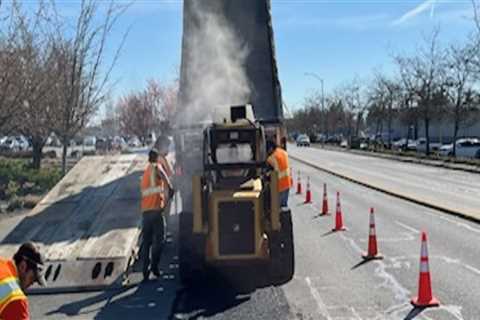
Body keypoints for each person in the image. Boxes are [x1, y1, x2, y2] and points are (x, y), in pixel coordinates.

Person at [140, 148, 174, 281]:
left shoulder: (146, 172)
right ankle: (154, 266)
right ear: (156, 158)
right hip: (156, 210)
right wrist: (170, 187)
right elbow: (163, 175)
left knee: (147, 241)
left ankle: (145, 269)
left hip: (145, 212)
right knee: (159, 239)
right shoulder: (156, 167)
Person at [0, 242, 46, 320]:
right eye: (32, 278)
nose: (32, 283)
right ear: (23, 266)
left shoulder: (2, 263)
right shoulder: (15, 298)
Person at [266, 140, 292, 207]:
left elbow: (270, 173)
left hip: (281, 185)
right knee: (284, 206)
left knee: (278, 208)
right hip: (288, 182)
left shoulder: (271, 158)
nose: (267, 152)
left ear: (271, 148)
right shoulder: (283, 152)